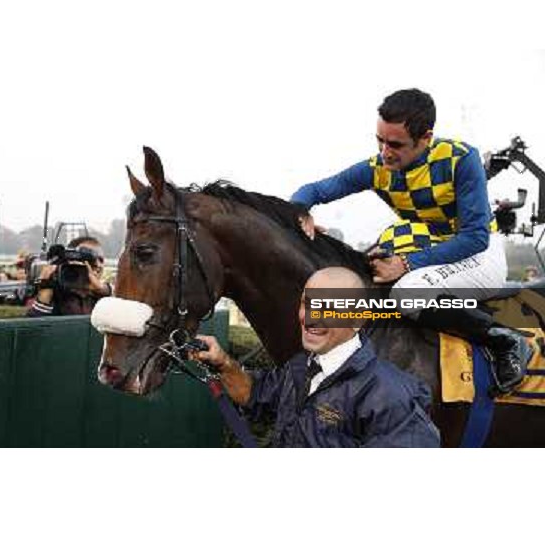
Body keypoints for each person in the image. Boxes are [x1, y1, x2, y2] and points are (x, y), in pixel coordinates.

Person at [290, 88, 530, 395]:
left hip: (479, 253)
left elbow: (475, 237)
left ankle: (505, 339)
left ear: (426, 138)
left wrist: (405, 263)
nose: (385, 151)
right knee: (369, 266)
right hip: (431, 246)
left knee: (406, 292)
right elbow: (315, 189)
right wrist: (299, 211)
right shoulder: (377, 168)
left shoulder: (462, 159)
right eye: (379, 140)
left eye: (395, 144)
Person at [193, 267, 440, 448]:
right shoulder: (300, 367)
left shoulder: (390, 396)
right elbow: (255, 394)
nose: (310, 318)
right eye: (306, 304)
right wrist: (223, 363)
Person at [26, 236, 112, 317]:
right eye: (89, 260)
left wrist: (103, 289)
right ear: (71, 258)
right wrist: (45, 288)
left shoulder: (103, 296)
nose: (98, 264)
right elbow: (34, 328)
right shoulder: (54, 291)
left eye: (101, 260)